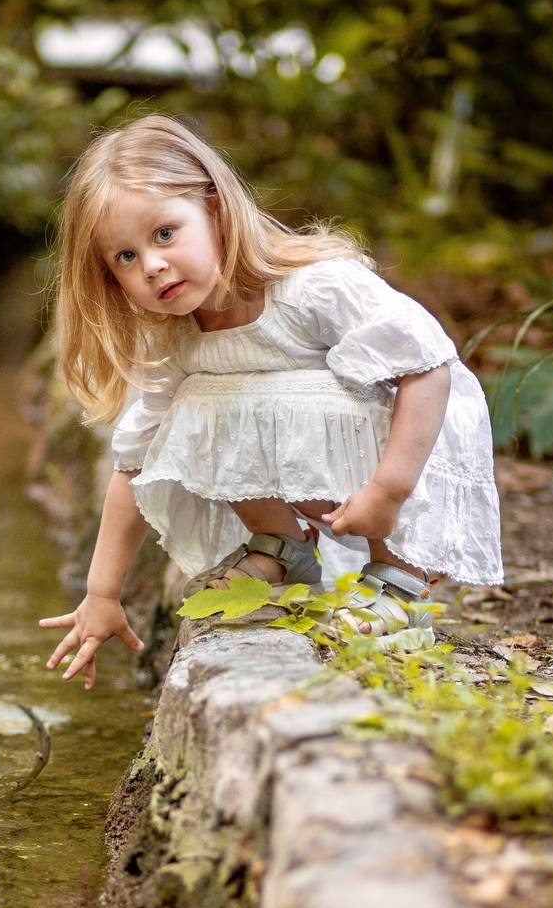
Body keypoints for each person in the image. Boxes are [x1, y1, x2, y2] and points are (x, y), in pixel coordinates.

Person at [39, 114, 503, 689]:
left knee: (309, 389)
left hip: (410, 450)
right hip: (326, 473)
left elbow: (429, 368)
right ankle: (283, 546)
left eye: (164, 234)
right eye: (125, 258)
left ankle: (399, 577)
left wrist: (389, 490)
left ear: (214, 207)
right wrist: (101, 594)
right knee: (194, 406)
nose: (153, 264)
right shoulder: (180, 340)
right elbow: (133, 464)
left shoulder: (314, 289)